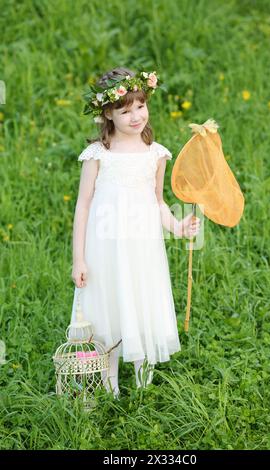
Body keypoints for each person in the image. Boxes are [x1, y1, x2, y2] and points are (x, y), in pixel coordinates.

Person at [70, 67, 200, 399]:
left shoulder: (155, 154)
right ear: (107, 114)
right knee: (109, 305)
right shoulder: (98, 156)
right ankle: (109, 379)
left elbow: (157, 202)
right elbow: (83, 206)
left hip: (143, 246)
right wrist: (79, 259)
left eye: (140, 106)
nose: (135, 116)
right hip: (105, 248)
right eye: (125, 111)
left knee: (143, 299)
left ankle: (144, 382)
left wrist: (178, 226)